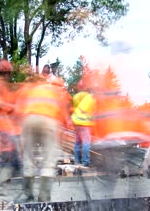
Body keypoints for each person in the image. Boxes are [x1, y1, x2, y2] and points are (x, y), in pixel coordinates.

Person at [15, 74, 71, 202]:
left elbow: (20, 108)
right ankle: (44, 197)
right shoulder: (57, 92)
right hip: (48, 120)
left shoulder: (36, 89)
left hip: (29, 120)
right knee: (49, 160)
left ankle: (28, 195)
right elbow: (63, 114)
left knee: (28, 158)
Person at [71, 83, 96, 167]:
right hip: (84, 123)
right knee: (86, 142)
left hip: (76, 120)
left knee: (78, 142)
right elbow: (95, 113)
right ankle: (85, 162)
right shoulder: (93, 98)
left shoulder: (83, 97)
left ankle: (77, 162)